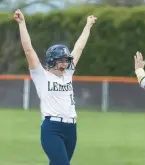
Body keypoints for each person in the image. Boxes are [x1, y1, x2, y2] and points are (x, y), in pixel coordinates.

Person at [14, 9, 97, 165]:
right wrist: (22, 23)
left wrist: (88, 25)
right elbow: (28, 49)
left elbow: (79, 47)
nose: (65, 63)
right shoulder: (41, 75)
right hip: (52, 128)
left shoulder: (68, 73)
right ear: (52, 61)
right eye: (61, 60)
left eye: (66, 60)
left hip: (71, 128)